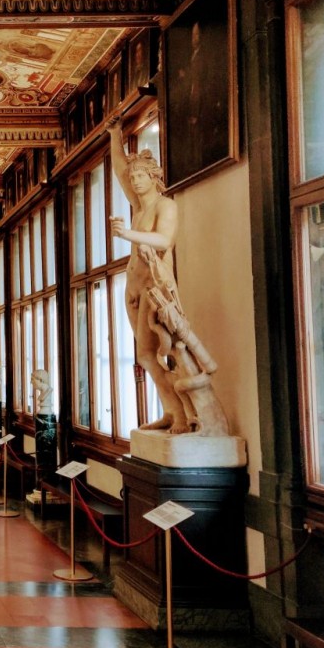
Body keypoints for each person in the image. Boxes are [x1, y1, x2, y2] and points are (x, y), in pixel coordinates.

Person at [107, 120, 188, 433]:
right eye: (133, 177)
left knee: (151, 354)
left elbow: (165, 241)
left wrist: (127, 234)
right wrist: (115, 136)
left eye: (140, 176)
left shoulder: (165, 206)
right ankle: (171, 411)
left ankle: (181, 415)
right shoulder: (139, 207)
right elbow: (119, 170)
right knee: (148, 355)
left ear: (154, 177)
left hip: (154, 289)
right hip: (135, 291)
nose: (135, 181)